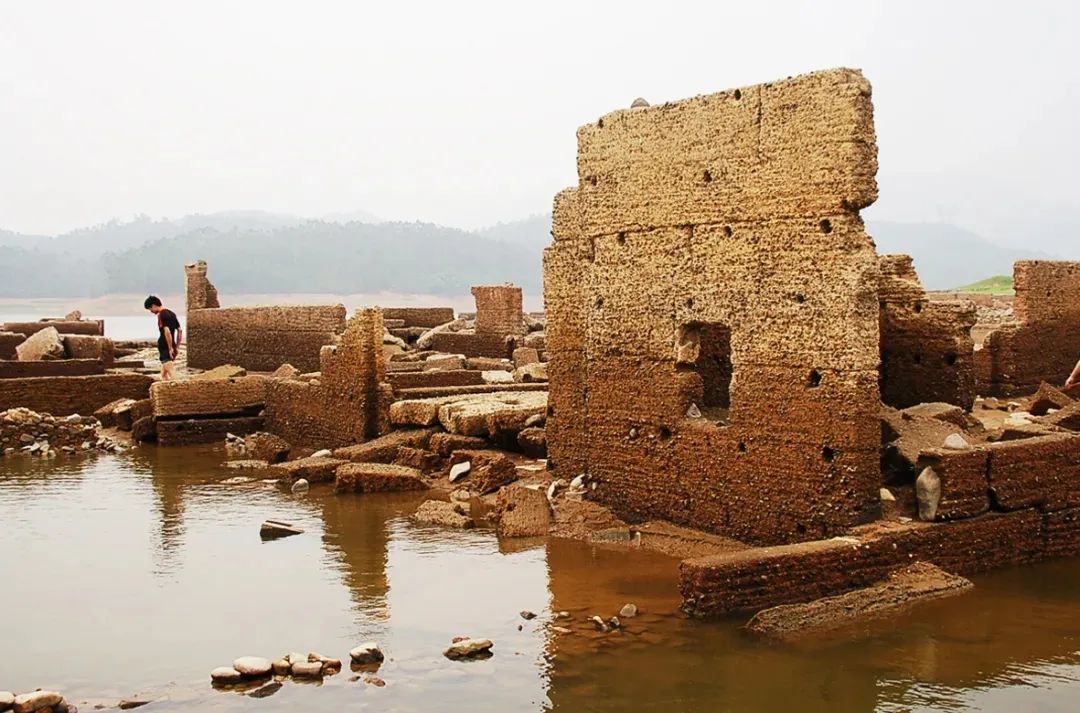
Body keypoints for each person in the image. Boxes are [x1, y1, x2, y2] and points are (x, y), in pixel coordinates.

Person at [144, 295, 182, 381]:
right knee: (164, 374)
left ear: (154, 305)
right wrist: (177, 346)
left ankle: (179, 388)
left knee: (171, 371)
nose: (151, 311)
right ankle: (166, 389)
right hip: (172, 345)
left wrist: (170, 348)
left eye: (150, 309)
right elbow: (180, 330)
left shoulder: (161, 315)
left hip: (165, 346)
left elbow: (167, 331)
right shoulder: (172, 314)